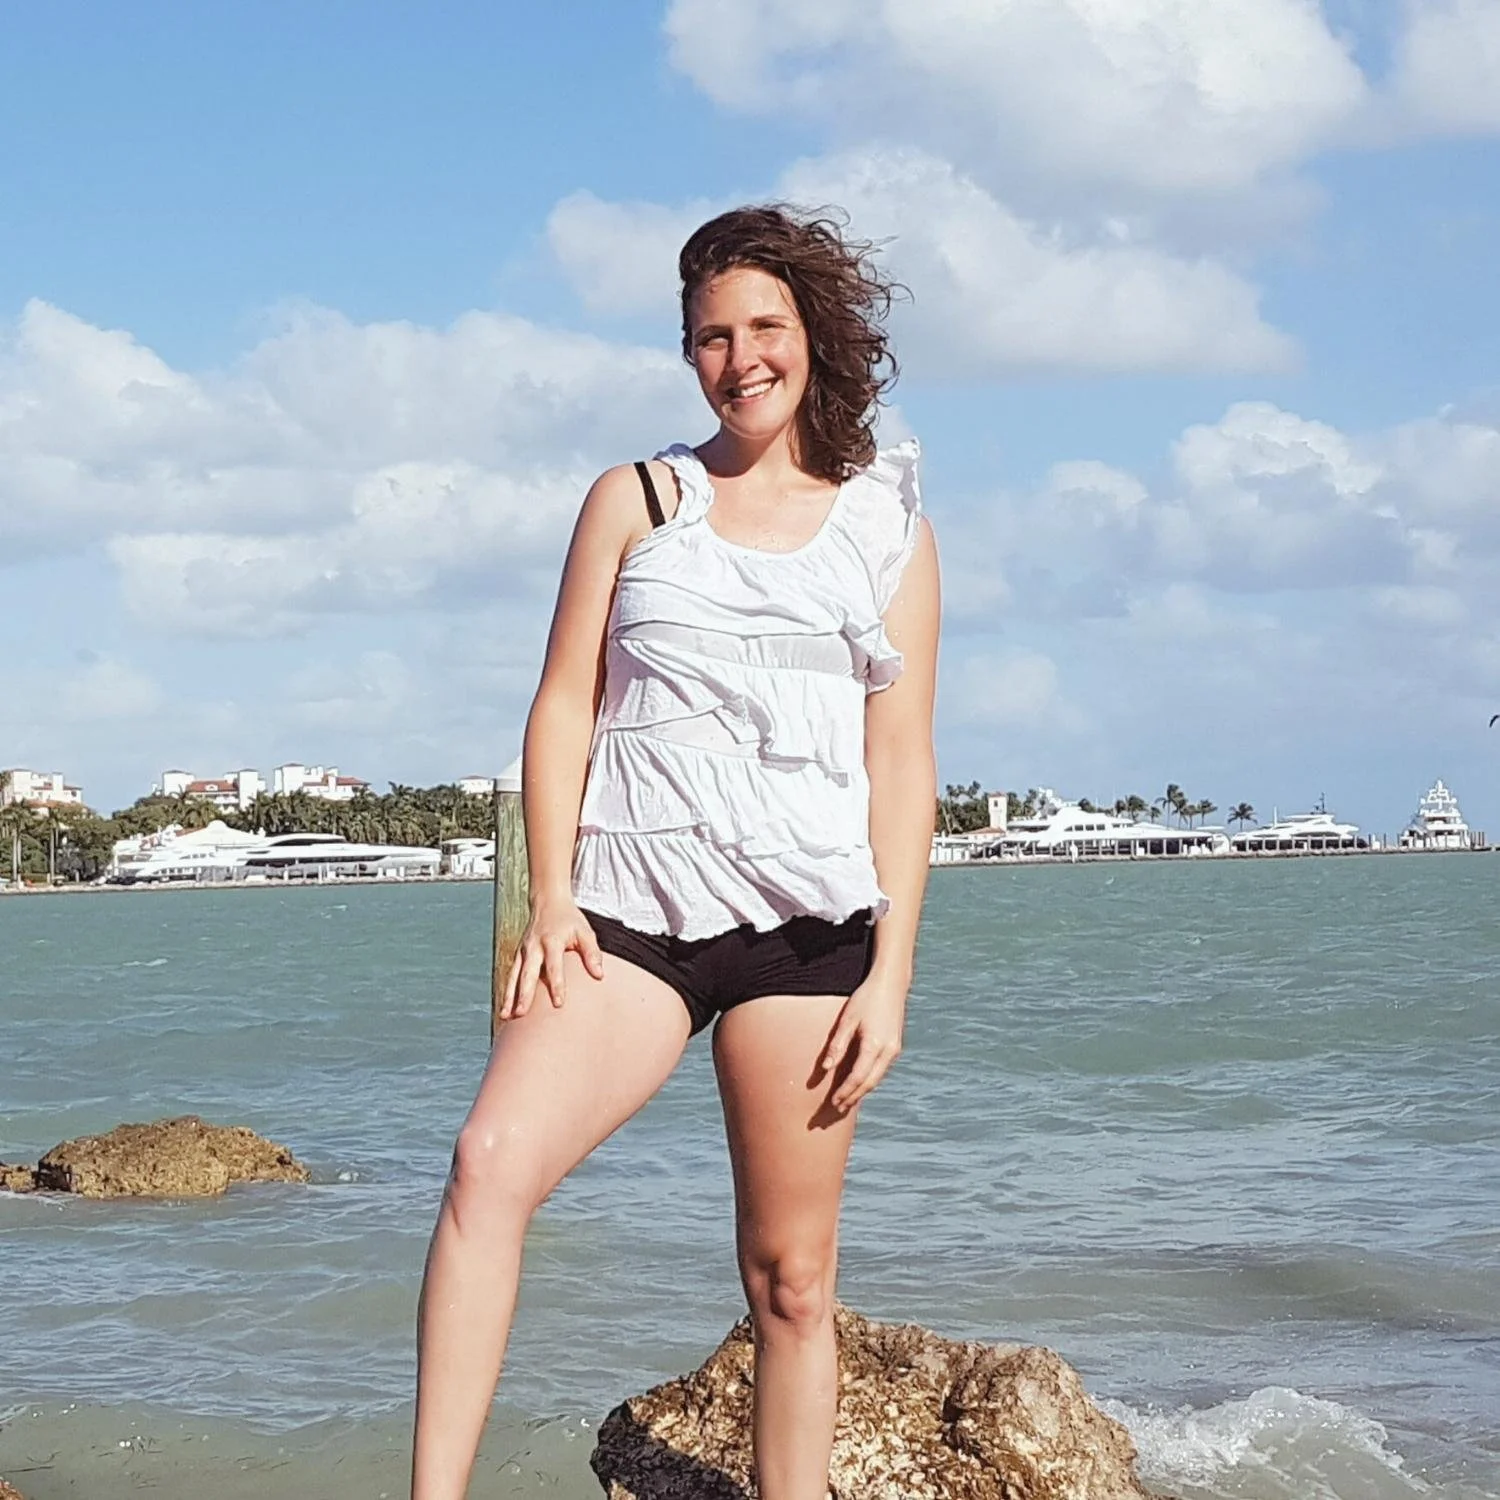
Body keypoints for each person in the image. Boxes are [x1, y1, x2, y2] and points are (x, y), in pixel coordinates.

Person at [411, 204, 941, 1500]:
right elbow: (562, 705)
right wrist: (549, 902)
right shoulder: (635, 501)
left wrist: (890, 977)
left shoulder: (889, 531)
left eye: (764, 327)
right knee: (488, 1166)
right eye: (711, 337)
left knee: (791, 1280)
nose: (740, 358)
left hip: (809, 936)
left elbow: (901, 762)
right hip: (626, 916)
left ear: (814, 334)